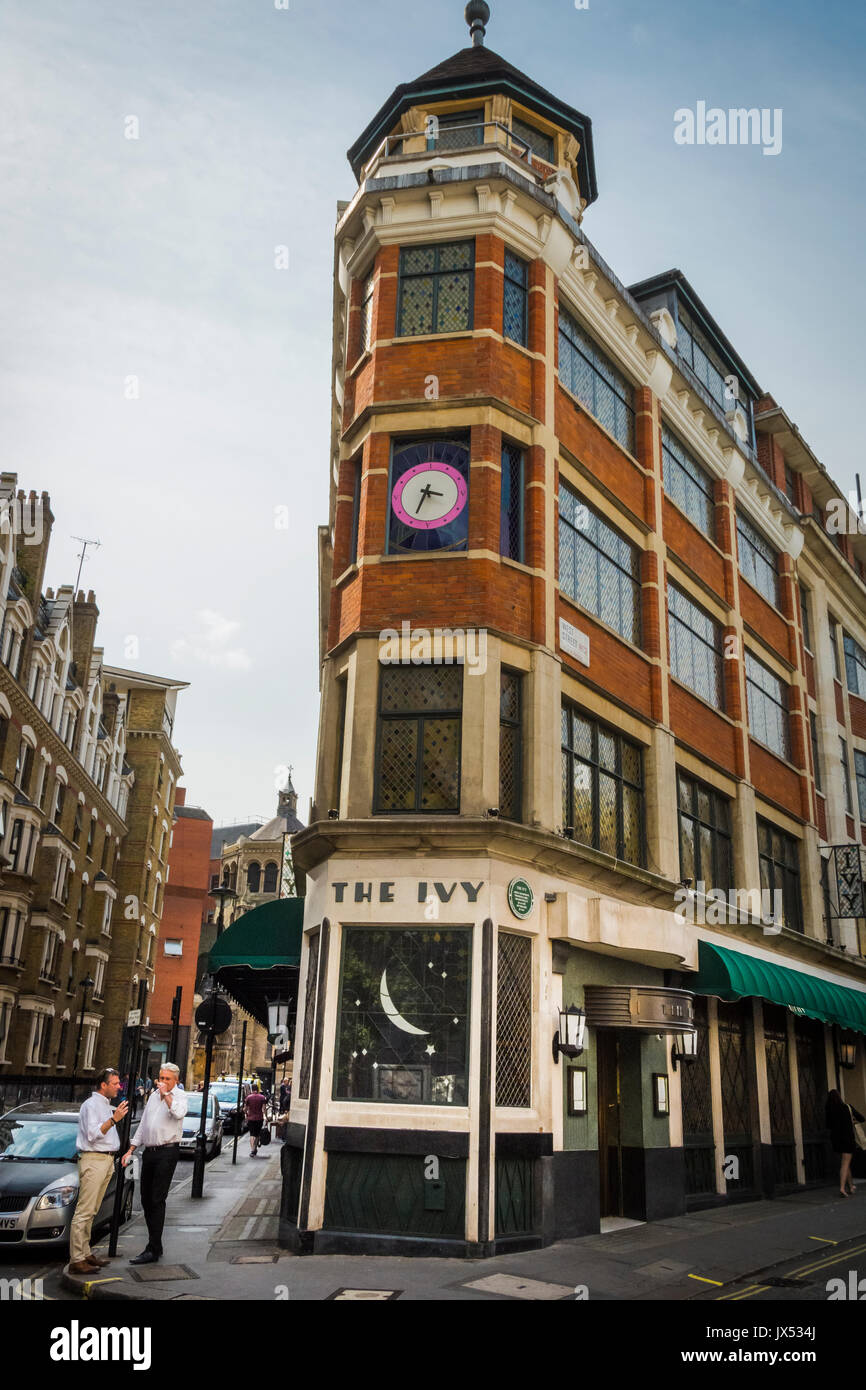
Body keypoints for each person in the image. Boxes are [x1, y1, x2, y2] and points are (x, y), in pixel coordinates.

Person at [121, 1061, 188, 1264]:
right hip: (149, 1152)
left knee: (157, 1199)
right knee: (145, 1199)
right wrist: (131, 1148)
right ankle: (155, 1245)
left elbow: (178, 1113)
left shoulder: (180, 1096)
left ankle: (153, 1248)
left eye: (167, 1079)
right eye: (161, 1078)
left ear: (175, 1080)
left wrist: (166, 1095)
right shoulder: (152, 1098)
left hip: (167, 1153)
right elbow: (144, 1125)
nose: (163, 1082)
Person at [69, 1068, 128, 1274]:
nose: (118, 1087)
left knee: (93, 1210)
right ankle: (76, 1259)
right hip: (93, 1160)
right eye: (115, 1083)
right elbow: (93, 1134)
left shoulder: (104, 1105)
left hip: (105, 1161)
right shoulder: (91, 1105)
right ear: (103, 1085)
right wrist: (114, 1119)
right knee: (84, 1211)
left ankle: (85, 1253)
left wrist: (113, 1116)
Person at [825, 1088, 865, 1197]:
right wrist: (852, 1121)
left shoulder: (829, 1109)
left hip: (836, 1140)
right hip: (847, 1139)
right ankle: (842, 1188)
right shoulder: (847, 1107)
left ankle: (851, 1186)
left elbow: (828, 1125)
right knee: (845, 1164)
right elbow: (862, 1118)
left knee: (845, 1163)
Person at [244, 1083, 268, 1156]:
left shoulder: (248, 1098)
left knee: (251, 1134)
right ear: (257, 1089)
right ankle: (254, 1148)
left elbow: (245, 1109)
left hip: (250, 1118)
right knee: (257, 1134)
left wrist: (245, 1113)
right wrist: (265, 1117)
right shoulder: (262, 1097)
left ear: (252, 1089)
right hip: (259, 1118)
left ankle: (252, 1150)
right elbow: (264, 1109)